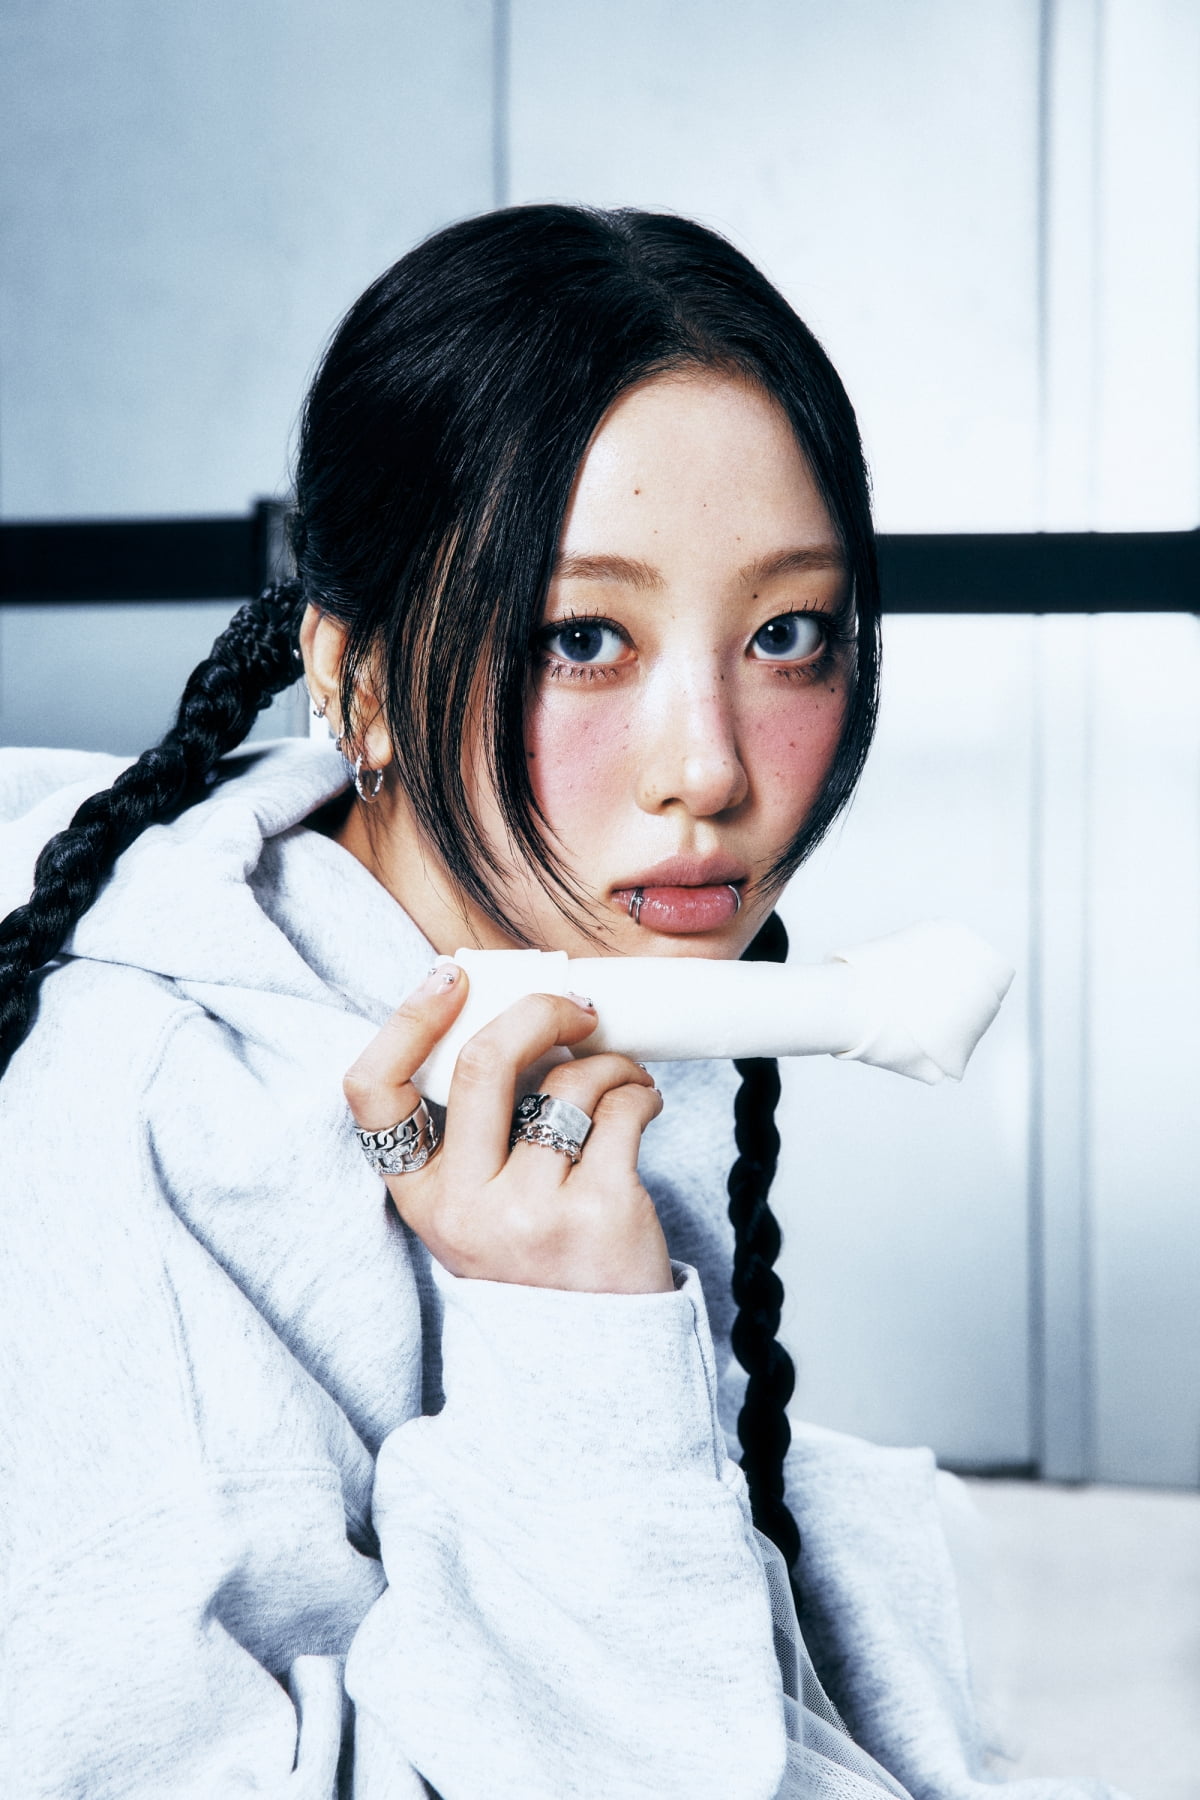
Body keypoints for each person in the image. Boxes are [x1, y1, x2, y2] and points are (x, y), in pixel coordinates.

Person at [0, 207, 1118, 1799]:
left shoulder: (543, 978)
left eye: (787, 635)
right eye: (582, 639)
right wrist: (573, 1341)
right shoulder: (157, 1130)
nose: (710, 769)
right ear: (359, 681)